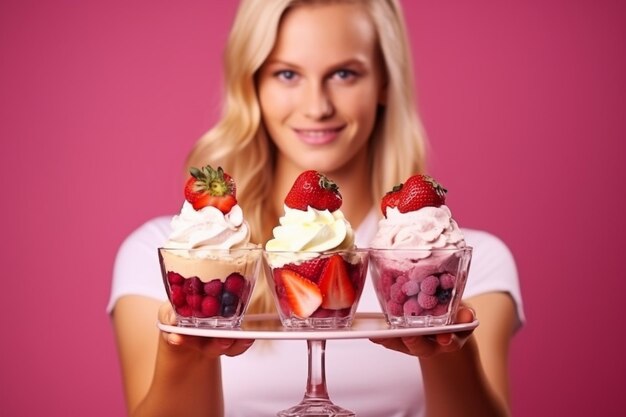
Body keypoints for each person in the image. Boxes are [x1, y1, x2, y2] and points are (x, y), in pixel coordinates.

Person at [108, 1, 524, 416]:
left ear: (383, 82)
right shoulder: (165, 256)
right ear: (252, 85)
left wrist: (447, 350)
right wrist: (187, 351)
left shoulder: (464, 263)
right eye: (287, 74)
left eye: (344, 74)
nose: (317, 106)